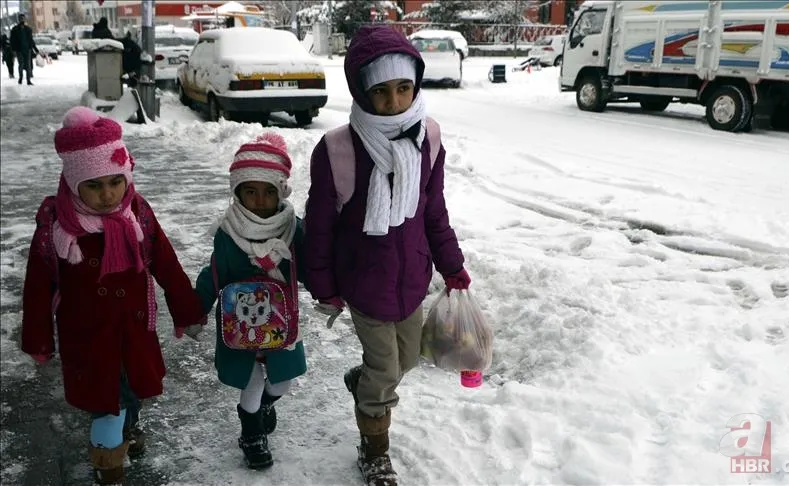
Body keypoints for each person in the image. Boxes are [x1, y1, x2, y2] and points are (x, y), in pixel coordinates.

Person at [303, 25, 471, 486]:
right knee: (386, 370)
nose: (394, 102)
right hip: (363, 281)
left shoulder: (429, 138)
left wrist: (451, 265)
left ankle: (362, 382)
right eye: (381, 92)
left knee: (407, 360)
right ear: (361, 92)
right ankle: (375, 449)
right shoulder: (338, 149)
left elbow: (432, 211)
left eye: (404, 88)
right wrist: (324, 285)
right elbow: (319, 226)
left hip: (412, 277)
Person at [20, 106, 206, 486]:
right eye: (94, 185)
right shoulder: (58, 225)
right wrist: (39, 337)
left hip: (133, 331)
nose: (107, 195)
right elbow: (39, 284)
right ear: (74, 183)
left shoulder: (137, 212)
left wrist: (187, 309)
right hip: (88, 337)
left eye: (115, 181)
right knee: (106, 406)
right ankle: (110, 469)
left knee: (131, 393)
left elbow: (166, 264)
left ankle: (127, 430)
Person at [195, 132, 308, 471]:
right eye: (250, 191)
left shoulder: (292, 229)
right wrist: (195, 309)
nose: (259, 201)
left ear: (281, 192)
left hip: (280, 324)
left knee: (282, 382)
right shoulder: (228, 233)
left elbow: (314, 266)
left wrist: (330, 290)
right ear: (237, 192)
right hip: (239, 325)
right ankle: (252, 434)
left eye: (268, 192)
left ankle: (265, 406)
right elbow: (213, 274)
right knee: (252, 382)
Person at [9, 13, 37, 85]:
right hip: (19, 50)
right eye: (21, 18)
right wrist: (13, 50)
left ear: (25, 19)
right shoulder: (15, 30)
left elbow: (31, 40)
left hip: (27, 49)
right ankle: (20, 78)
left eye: (23, 18)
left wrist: (35, 49)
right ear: (19, 20)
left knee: (28, 65)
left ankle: (28, 80)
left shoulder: (28, 29)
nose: (22, 20)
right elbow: (12, 40)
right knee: (21, 64)